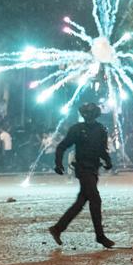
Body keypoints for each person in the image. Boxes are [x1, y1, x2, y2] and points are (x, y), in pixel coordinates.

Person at [48, 103, 115, 248]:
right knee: (95, 200)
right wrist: (58, 164)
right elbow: (62, 146)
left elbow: (102, 149)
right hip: (83, 169)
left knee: (80, 203)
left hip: (93, 169)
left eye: (91, 113)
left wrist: (108, 161)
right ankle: (100, 236)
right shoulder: (77, 129)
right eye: (86, 113)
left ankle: (58, 228)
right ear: (83, 115)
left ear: (95, 115)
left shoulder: (101, 129)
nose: (88, 116)